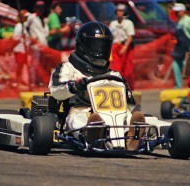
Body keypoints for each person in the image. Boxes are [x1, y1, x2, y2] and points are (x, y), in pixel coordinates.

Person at [48, 21, 145, 150]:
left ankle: (131, 137)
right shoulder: (67, 68)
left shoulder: (114, 74)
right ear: (83, 46)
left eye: (103, 47)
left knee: (128, 116)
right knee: (77, 119)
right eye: (95, 46)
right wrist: (74, 87)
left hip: (113, 112)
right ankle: (91, 134)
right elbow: (55, 90)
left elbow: (131, 104)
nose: (99, 51)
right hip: (81, 109)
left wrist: (126, 96)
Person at [171, 3, 190, 89]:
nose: (176, 13)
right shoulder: (177, 21)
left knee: (188, 69)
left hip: (188, 47)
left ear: (183, 11)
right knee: (175, 66)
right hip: (179, 48)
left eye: (178, 11)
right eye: (175, 12)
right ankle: (178, 87)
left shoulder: (189, 20)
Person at [109, 3, 135, 90]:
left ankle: (128, 86)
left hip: (125, 46)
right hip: (115, 46)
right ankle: (117, 85)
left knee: (128, 68)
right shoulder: (113, 23)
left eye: (121, 11)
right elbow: (110, 36)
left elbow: (130, 36)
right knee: (116, 67)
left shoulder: (128, 23)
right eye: (117, 11)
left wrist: (125, 48)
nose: (118, 13)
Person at [12, 9, 31, 88]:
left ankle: (18, 81)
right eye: (25, 17)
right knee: (20, 66)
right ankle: (17, 82)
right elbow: (16, 38)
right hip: (20, 49)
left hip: (22, 49)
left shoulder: (23, 26)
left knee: (21, 66)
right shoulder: (19, 26)